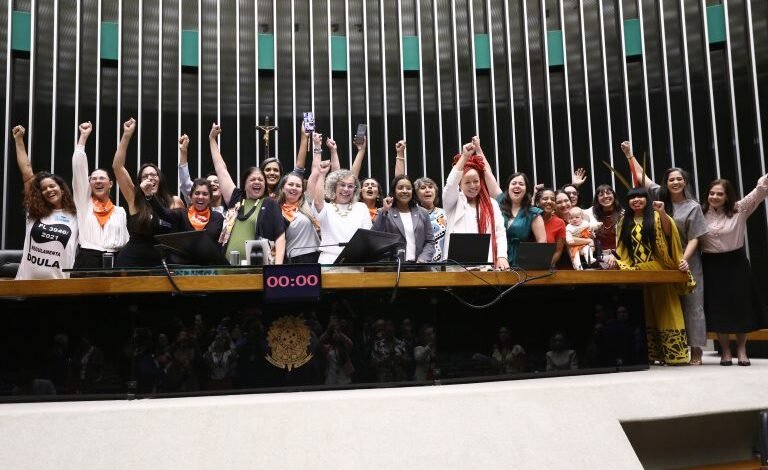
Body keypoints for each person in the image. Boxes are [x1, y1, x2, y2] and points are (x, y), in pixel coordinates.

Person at [624, 142, 709, 365]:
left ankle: (696, 351)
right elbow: (641, 177)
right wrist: (630, 155)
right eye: (671, 179)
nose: (675, 182)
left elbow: (695, 237)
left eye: (679, 179)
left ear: (685, 182)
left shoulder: (693, 206)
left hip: (687, 260)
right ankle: (669, 350)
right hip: (663, 261)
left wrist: (684, 260)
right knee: (669, 305)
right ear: (666, 182)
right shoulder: (658, 196)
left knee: (693, 305)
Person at [615, 187, 691, 365]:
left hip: (658, 270)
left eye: (640, 197)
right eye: (632, 198)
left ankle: (675, 355)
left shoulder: (656, 216)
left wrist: (662, 212)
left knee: (667, 309)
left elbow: (669, 233)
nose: (636, 200)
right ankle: (652, 355)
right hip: (636, 272)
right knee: (647, 312)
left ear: (647, 199)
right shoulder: (624, 222)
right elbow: (621, 248)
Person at [700, 174, 768, 366]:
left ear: (728, 196)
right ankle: (725, 351)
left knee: (740, 306)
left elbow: (760, 190)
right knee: (719, 308)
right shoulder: (700, 212)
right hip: (711, 264)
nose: (714, 197)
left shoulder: (740, 208)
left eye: (719, 194)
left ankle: (742, 350)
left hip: (736, 263)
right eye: (711, 193)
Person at [209, 123, 286, 264]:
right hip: (228, 266)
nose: (257, 182)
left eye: (261, 180)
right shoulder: (236, 198)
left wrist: (278, 267)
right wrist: (212, 140)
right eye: (253, 179)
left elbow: (280, 236)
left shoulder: (270, 204)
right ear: (244, 184)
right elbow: (221, 169)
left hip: (258, 267)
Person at [112, 118, 183, 267]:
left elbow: (182, 233)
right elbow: (117, 166)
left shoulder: (174, 201)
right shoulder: (134, 198)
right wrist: (126, 135)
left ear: (160, 179)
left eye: (153, 175)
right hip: (132, 260)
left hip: (161, 261)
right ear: (140, 182)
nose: (150, 178)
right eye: (145, 176)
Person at [12, 125, 78, 279]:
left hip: (59, 286)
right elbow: (27, 174)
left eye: (52, 186)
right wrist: (18, 139)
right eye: (43, 189)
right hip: (25, 284)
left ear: (62, 190)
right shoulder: (35, 212)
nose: (48, 190)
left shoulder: (75, 214)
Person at [444, 138, 509, 269]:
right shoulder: (453, 201)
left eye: (476, 181)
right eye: (467, 182)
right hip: (458, 269)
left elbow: (500, 232)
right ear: (460, 184)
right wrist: (464, 157)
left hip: (487, 267)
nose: (473, 186)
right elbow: (450, 185)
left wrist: (502, 256)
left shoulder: (492, 204)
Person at [70, 121, 128, 268]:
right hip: (88, 260)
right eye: (93, 178)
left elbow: (126, 241)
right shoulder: (84, 204)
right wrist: (83, 137)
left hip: (117, 260)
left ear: (110, 184)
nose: (97, 181)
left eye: (102, 178)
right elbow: (78, 168)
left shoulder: (120, 212)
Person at [309, 133, 372, 264]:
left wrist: (361, 151)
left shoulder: (361, 207)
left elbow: (366, 237)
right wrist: (322, 175)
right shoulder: (327, 207)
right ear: (334, 187)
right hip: (328, 262)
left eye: (350, 186)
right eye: (342, 185)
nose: (346, 189)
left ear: (355, 189)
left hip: (356, 263)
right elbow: (318, 202)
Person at [372, 175, 435, 263]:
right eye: (400, 188)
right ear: (394, 191)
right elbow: (374, 238)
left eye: (408, 188)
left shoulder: (423, 212)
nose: (405, 191)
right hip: (393, 267)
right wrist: (384, 212)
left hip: (419, 266)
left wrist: (423, 259)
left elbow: (430, 241)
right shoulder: (385, 212)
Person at [144, 178, 224, 244]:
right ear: (190, 197)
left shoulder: (218, 217)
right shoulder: (181, 214)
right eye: (197, 193)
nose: (200, 197)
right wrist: (150, 196)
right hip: (184, 259)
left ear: (210, 198)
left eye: (205, 194)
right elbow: (164, 214)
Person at [277, 172, 320, 263]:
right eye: (290, 184)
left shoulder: (307, 204)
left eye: (298, 186)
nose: (294, 188)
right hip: (292, 260)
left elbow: (315, 174)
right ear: (282, 188)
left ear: (302, 191)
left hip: (315, 256)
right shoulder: (276, 210)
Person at [178, 134, 225, 213]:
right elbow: (185, 183)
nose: (212, 184)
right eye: (209, 183)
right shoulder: (196, 204)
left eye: (216, 182)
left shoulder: (231, 209)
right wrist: (183, 152)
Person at [584, 184, 623, 269]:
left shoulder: (623, 214)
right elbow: (574, 213)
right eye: (601, 195)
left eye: (608, 193)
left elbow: (626, 240)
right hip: (597, 257)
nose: (605, 196)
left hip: (620, 255)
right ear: (597, 199)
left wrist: (615, 255)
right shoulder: (589, 214)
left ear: (614, 196)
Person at [534, 188, 565, 267]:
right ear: (537, 202)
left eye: (553, 199)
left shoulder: (559, 223)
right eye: (545, 199)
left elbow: (558, 251)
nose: (549, 201)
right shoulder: (530, 218)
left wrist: (546, 265)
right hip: (523, 268)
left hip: (547, 268)